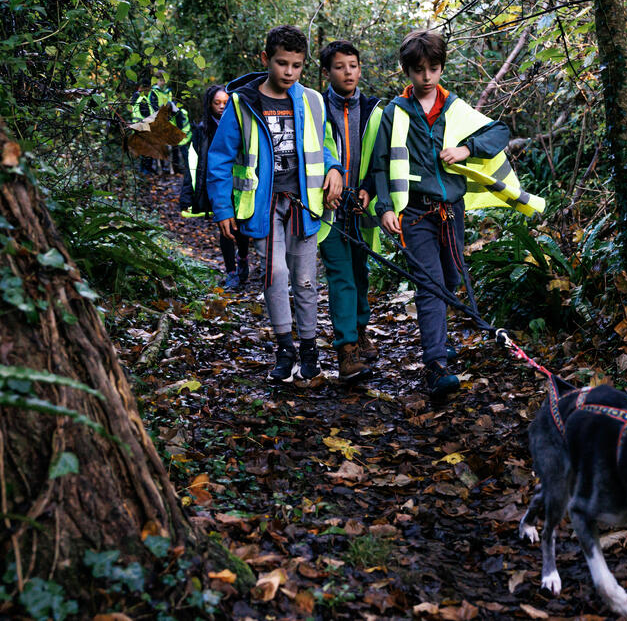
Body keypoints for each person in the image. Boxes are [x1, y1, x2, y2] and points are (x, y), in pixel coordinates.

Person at [366, 30, 544, 398]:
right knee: (429, 284)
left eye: (433, 68)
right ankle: (435, 364)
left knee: (450, 278)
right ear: (407, 71)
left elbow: (499, 132)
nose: (426, 76)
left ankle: (439, 341)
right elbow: (380, 164)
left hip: (451, 213)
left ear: (442, 67)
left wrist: (466, 149)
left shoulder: (455, 108)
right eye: (418, 70)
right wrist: (384, 207)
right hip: (414, 213)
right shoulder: (395, 113)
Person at [207, 25, 343, 384]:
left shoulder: (312, 100)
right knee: (275, 275)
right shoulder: (242, 103)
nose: (289, 72)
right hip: (263, 205)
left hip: (305, 203)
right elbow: (219, 159)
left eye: (297, 66)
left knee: (305, 278)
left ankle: (310, 348)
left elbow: (326, 144)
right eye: (282, 63)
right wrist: (223, 209)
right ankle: (285, 347)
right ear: (266, 59)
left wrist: (334, 170)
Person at [318, 41, 384, 383]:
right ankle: (345, 350)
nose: (348, 72)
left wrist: (367, 190)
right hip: (327, 207)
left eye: (354, 65)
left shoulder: (374, 111)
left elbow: (380, 159)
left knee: (360, 271)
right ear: (327, 72)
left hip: (362, 206)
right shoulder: (316, 109)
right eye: (340, 66)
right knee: (340, 274)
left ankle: (359, 332)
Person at [179, 84, 251, 290]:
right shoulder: (202, 131)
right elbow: (193, 165)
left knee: (241, 227)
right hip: (216, 185)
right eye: (216, 103)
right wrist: (187, 196)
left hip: (238, 184)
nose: (221, 107)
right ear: (209, 105)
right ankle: (231, 272)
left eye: (225, 103)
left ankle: (243, 258)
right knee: (225, 228)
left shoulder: (241, 125)